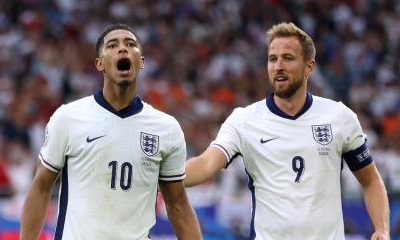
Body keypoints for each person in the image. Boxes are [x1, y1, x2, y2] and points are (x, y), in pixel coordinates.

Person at [185, 22, 389, 240]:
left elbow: (371, 181)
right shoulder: (244, 120)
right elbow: (207, 164)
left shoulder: (339, 116)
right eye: (273, 59)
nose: (278, 66)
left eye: (288, 58)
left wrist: (382, 229)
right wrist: (163, 176)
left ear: (309, 67)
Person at [20, 23, 202, 240]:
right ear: (100, 64)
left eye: (131, 44)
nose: (123, 49)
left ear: (141, 62)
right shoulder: (69, 117)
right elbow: (41, 186)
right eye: (112, 45)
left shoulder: (166, 128)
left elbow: (178, 205)